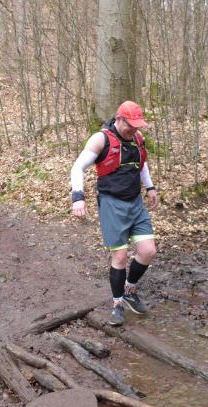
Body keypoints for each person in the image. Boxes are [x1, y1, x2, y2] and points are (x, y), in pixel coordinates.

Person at [70, 101, 159, 326]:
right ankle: (117, 303)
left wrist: (150, 187)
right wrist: (78, 197)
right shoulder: (101, 139)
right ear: (119, 119)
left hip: (135, 202)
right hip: (112, 203)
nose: (134, 131)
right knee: (119, 256)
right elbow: (78, 167)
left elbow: (142, 164)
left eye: (137, 127)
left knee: (148, 251)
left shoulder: (137, 138)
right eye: (130, 126)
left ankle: (129, 290)